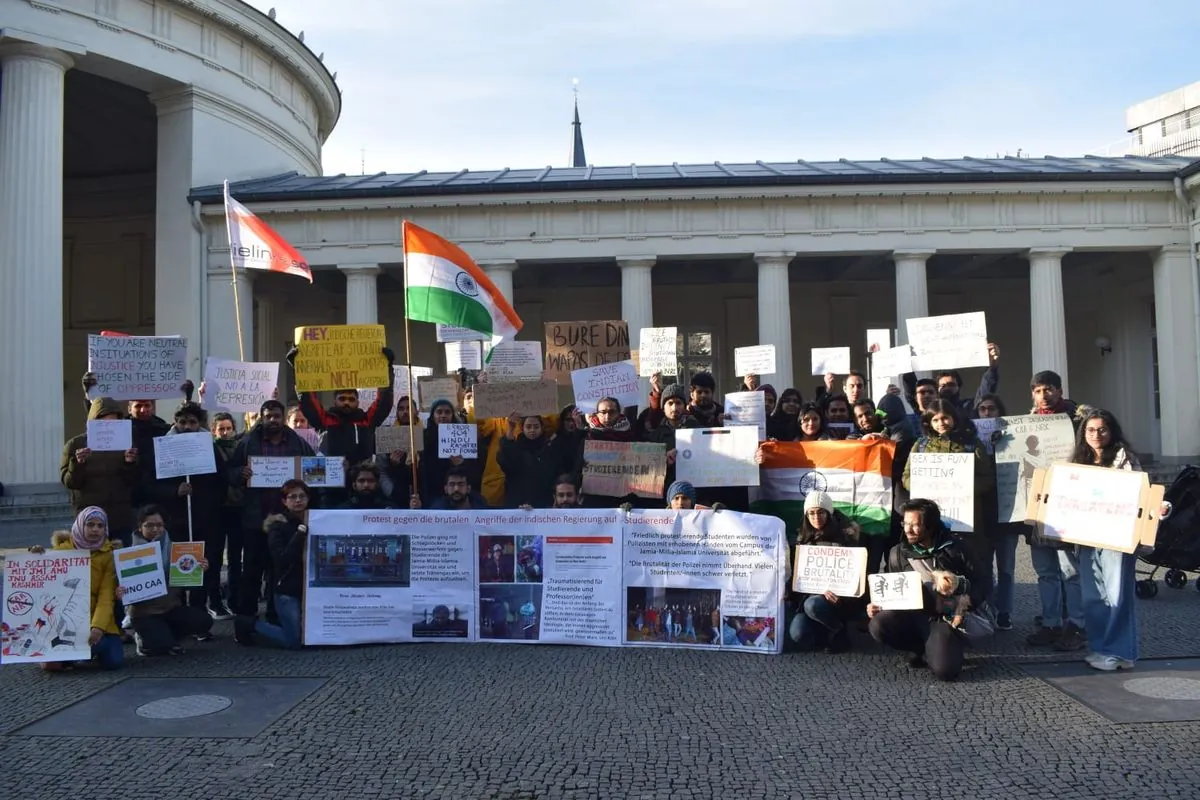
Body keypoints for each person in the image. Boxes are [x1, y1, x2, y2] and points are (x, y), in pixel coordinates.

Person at [1071, 409, 1170, 671]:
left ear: (1112, 431)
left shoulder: (1125, 459)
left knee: (1117, 595)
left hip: (1118, 536)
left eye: (1102, 429)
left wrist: (1157, 508)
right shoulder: (1078, 461)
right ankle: (1102, 647)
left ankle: (1120, 652)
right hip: (1086, 536)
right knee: (1094, 596)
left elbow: (1141, 494)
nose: (1096, 435)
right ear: (1084, 433)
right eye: (1090, 430)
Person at [867, 499, 984, 682]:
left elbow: (982, 583)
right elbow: (889, 586)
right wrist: (878, 605)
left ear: (930, 526)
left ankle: (946, 644)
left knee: (946, 671)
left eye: (915, 525)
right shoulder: (897, 553)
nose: (908, 530)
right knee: (878, 625)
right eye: (905, 524)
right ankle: (918, 647)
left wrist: (963, 606)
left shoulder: (956, 548)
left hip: (944, 617)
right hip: (912, 615)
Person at [227, 400, 315, 622]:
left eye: (277, 416)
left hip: (287, 520)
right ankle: (246, 620)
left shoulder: (298, 442)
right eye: (268, 416)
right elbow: (230, 471)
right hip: (256, 517)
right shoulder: (246, 442)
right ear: (262, 417)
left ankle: (276, 617)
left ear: (284, 418)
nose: (273, 420)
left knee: (280, 571)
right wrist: (240, 473)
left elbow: (315, 470)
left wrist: (334, 470)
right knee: (252, 571)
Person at [30, 507, 123, 671]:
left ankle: (75, 654)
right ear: (80, 525)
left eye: (100, 526)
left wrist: (98, 627)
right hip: (65, 620)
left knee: (114, 661)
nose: (95, 529)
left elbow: (105, 596)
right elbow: (43, 583)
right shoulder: (62, 551)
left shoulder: (108, 555)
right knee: (51, 666)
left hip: (97, 618)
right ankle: (69, 656)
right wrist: (35, 556)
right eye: (90, 524)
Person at [123, 505, 213, 656]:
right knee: (160, 648)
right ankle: (145, 639)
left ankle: (167, 637)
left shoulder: (176, 549)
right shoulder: (128, 553)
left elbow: (187, 584)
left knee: (204, 621)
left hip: (170, 607)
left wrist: (199, 570)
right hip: (144, 612)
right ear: (140, 527)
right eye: (149, 525)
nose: (155, 529)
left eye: (159, 525)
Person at [237, 480, 311, 649]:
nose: (298, 500)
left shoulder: (316, 520)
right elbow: (282, 559)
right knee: (293, 641)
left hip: (309, 589)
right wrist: (299, 535)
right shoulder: (277, 527)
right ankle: (249, 623)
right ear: (284, 501)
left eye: (302, 496)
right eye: (292, 497)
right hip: (287, 590)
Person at [788, 491, 861, 653]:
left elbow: (854, 575)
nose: (816, 517)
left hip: (836, 600)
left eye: (821, 512)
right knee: (797, 634)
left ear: (829, 513)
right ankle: (822, 630)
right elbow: (796, 574)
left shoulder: (846, 536)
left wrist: (841, 594)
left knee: (813, 605)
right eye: (811, 513)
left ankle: (840, 630)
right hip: (808, 596)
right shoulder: (802, 538)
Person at [497, 413, 572, 509]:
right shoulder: (515, 448)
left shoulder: (551, 449)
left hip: (544, 505)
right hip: (518, 505)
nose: (532, 430)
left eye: (536, 427)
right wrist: (511, 429)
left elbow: (557, 475)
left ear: (542, 428)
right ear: (522, 428)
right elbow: (505, 461)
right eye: (528, 427)